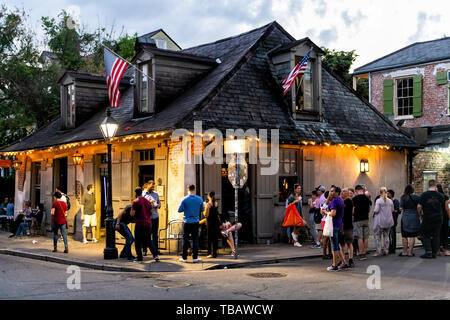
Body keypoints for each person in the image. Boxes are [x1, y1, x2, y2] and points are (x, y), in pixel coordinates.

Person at [417, 180, 445, 259]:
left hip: (428, 217)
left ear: (428, 185)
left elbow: (419, 206)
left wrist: (420, 214)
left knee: (426, 234)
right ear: (435, 186)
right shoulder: (440, 195)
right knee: (436, 235)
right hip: (438, 217)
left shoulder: (424, 195)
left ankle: (428, 252)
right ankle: (434, 253)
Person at [130, 187, 159, 262]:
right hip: (148, 223)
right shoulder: (147, 201)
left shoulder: (135, 202)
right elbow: (151, 212)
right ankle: (155, 255)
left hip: (139, 223)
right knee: (149, 240)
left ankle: (139, 257)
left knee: (137, 241)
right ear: (141, 192)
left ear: (136, 193)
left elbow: (132, 214)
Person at [178, 185, 204, 263]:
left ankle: (184, 258)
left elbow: (179, 210)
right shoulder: (199, 199)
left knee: (185, 239)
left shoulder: (184, 199)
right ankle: (195, 257)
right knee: (195, 239)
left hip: (186, 222)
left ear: (188, 190)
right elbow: (202, 209)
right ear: (194, 189)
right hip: (195, 221)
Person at [325, 186, 348, 271]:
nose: (331, 193)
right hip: (339, 224)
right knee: (337, 244)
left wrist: (325, 212)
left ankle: (334, 264)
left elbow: (333, 213)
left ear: (337, 192)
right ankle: (344, 263)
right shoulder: (340, 200)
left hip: (334, 224)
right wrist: (328, 197)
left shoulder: (334, 201)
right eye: (330, 191)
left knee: (334, 245)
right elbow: (326, 203)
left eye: (333, 191)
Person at [399, 184, 421, 257]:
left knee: (404, 236)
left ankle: (404, 251)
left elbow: (401, 208)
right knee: (412, 236)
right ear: (413, 190)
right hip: (414, 217)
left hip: (405, 217)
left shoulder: (403, 197)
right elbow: (419, 207)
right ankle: (410, 252)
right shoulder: (417, 197)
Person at [373, 187, 394, 256]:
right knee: (386, 236)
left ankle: (379, 251)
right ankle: (386, 250)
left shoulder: (379, 200)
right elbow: (392, 210)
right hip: (388, 221)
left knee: (377, 236)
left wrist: (373, 210)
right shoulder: (390, 201)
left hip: (380, 221)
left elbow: (376, 210)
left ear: (380, 193)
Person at [353, 184, 372, 260]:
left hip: (358, 219)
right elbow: (369, 209)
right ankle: (364, 252)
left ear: (356, 191)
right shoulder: (367, 198)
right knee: (366, 237)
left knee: (360, 237)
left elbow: (353, 211)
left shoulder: (354, 199)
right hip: (366, 219)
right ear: (362, 190)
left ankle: (361, 253)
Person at [143, 180, 161, 255]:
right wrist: (149, 202)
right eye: (151, 186)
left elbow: (159, 203)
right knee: (146, 234)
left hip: (155, 216)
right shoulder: (143, 194)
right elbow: (141, 205)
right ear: (147, 185)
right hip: (147, 217)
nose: (153, 188)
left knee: (155, 234)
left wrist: (158, 205)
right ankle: (144, 250)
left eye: (154, 186)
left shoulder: (156, 194)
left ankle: (156, 250)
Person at [341, 188, 355, 267]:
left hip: (346, 225)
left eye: (344, 192)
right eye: (342, 191)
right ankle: (345, 259)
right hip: (346, 225)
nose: (342, 193)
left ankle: (348, 259)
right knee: (344, 243)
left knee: (347, 243)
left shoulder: (348, 201)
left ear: (347, 193)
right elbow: (353, 212)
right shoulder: (347, 201)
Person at [205, 191, 220, 258]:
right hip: (216, 222)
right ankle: (214, 253)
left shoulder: (208, 204)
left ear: (208, 196)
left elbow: (206, 215)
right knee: (215, 238)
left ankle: (210, 253)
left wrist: (204, 211)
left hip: (210, 222)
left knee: (210, 238)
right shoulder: (216, 203)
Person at [436, 184, 450, 256]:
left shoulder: (435, 197)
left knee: (438, 233)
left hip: (437, 217)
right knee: (445, 233)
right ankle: (447, 251)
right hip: (444, 217)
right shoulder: (446, 197)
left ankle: (437, 250)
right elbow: (447, 208)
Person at [387, 189, 401, 254]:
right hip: (387, 220)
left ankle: (393, 249)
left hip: (393, 220)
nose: (387, 195)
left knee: (393, 235)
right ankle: (389, 248)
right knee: (388, 235)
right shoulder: (386, 201)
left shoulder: (396, 201)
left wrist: (393, 211)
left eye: (388, 193)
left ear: (391, 194)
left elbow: (399, 211)